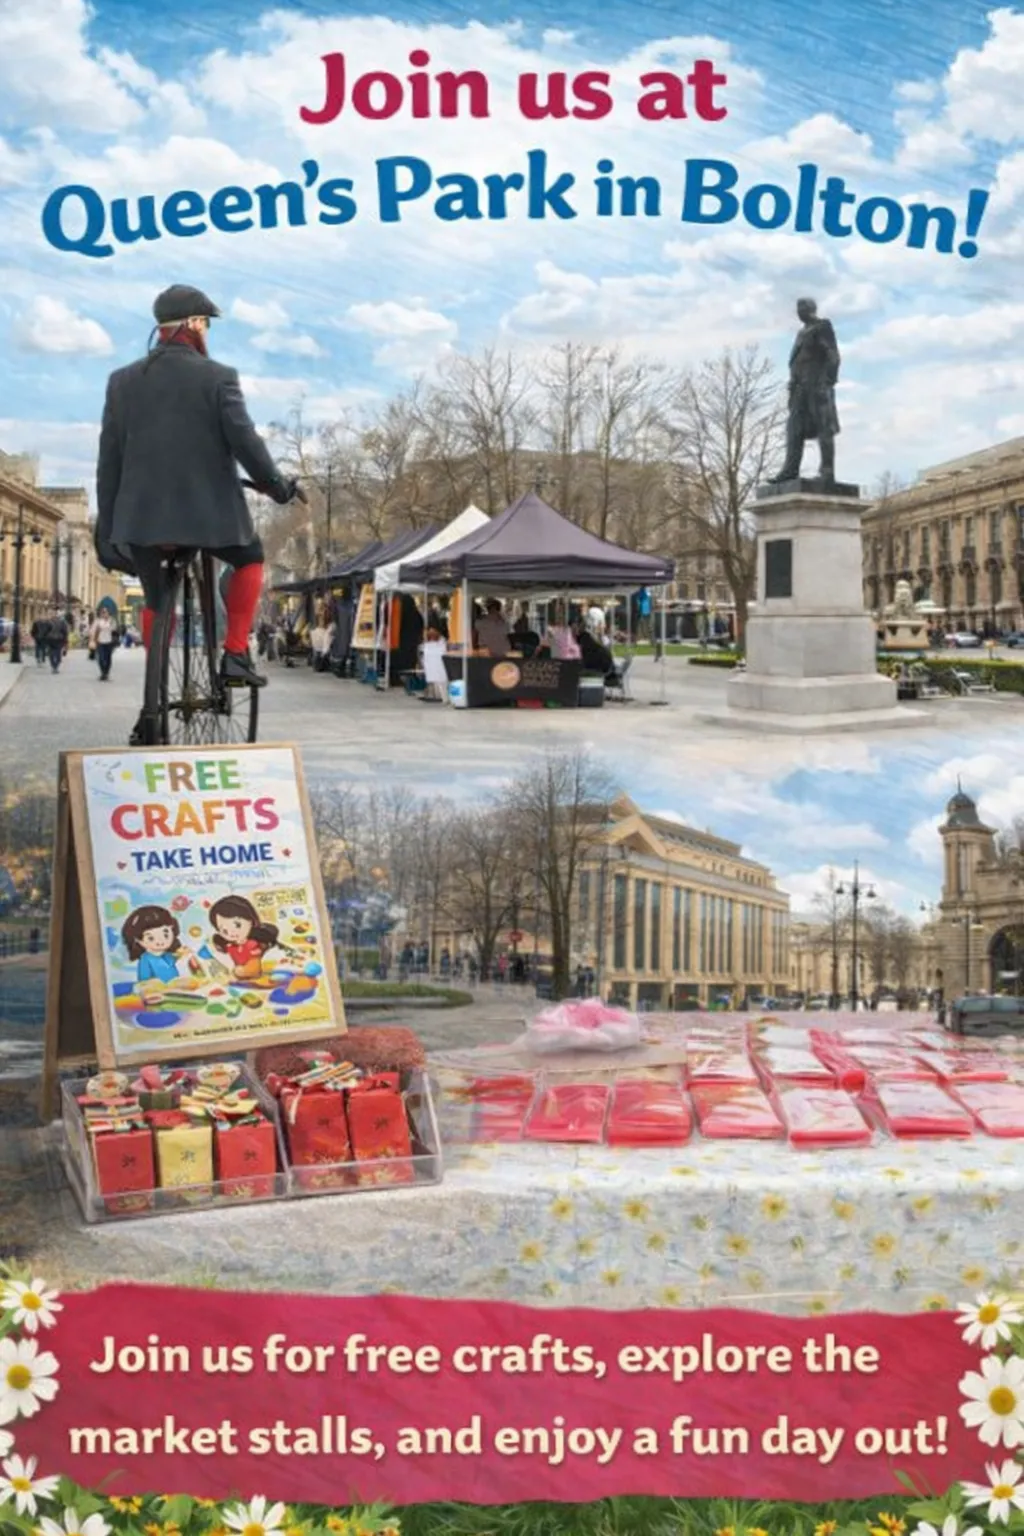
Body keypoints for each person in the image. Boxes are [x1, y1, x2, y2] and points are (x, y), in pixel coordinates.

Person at [94, 285, 301, 737]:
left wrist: (107, 527)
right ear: (192, 324)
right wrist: (276, 486)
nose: (206, 332)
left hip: (142, 518)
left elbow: (109, 459)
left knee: (155, 599)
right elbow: (245, 441)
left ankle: (153, 697)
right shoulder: (218, 376)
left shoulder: (121, 381)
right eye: (205, 323)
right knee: (250, 558)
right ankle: (235, 653)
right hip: (210, 516)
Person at [89, 608, 118, 681]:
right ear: (100, 614)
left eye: (105, 612)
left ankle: (106, 673)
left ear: (108, 613)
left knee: (108, 658)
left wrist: (110, 625)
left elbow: (114, 629)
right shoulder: (97, 622)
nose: (104, 614)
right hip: (100, 642)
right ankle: (103, 672)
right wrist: (92, 640)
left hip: (109, 642)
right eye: (103, 612)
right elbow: (92, 631)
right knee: (101, 658)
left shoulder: (111, 621)